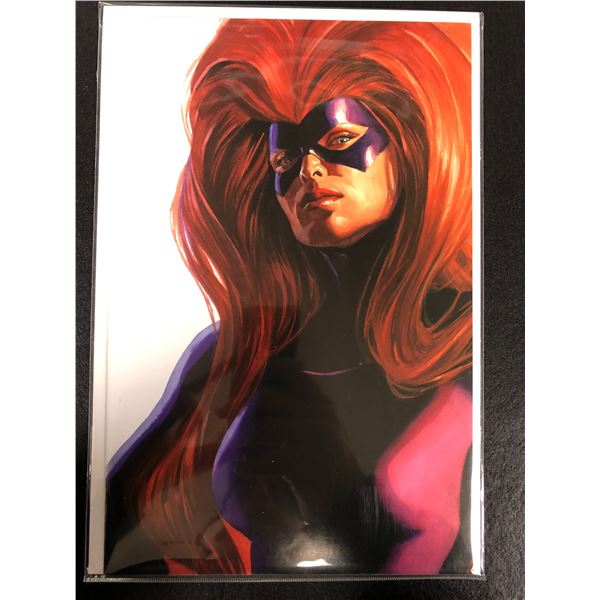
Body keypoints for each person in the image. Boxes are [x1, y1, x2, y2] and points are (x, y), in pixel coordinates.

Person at [105, 18, 474, 576]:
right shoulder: (236, 353)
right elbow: (105, 536)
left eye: (340, 140)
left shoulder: (477, 344)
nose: (309, 170)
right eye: (284, 160)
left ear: (411, 144)